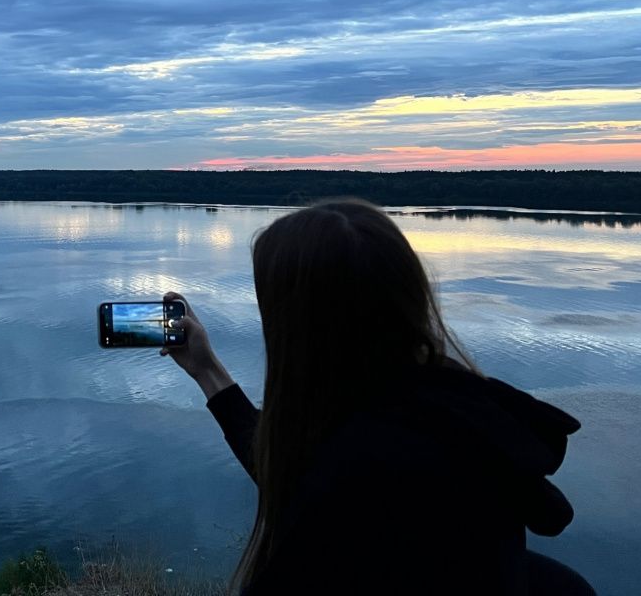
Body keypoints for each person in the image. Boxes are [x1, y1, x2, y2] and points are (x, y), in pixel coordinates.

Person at [160, 199, 594, 595]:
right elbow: (297, 472)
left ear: (304, 329)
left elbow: (322, 485)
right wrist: (207, 371)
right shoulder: (453, 412)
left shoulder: (358, 480)